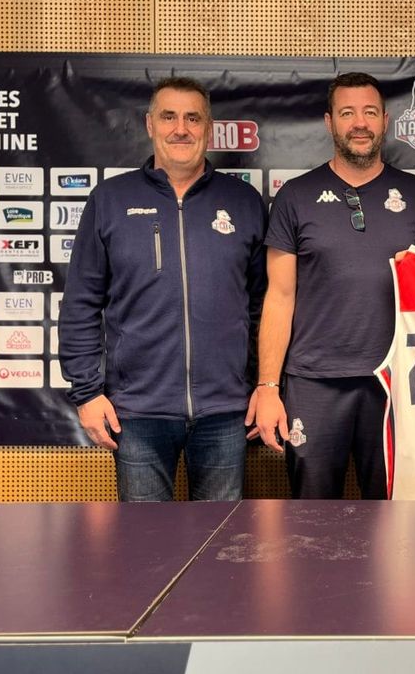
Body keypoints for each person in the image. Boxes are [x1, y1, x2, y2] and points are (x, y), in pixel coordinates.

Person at [59, 77, 267, 501]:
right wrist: (87, 393)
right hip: (137, 412)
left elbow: (265, 305)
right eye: (169, 117)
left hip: (226, 411)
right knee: (145, 538)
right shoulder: (110, 199)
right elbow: (80, 303)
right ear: (150, 124)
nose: (181, 129)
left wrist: (262, 385)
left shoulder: (244, 201)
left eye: (193, 118)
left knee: (220, 536)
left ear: (209, 129)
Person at [249, 72, 415, 498]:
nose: (360, 123)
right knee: (312, 514)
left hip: (395, 382)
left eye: (369, 112)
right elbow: (279, 297)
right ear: (329, 121)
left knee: (393, 515)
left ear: (385, 121)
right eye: (347, 113)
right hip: (313, 383)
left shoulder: (414, 193)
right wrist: (268, 387)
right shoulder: (295, 196)